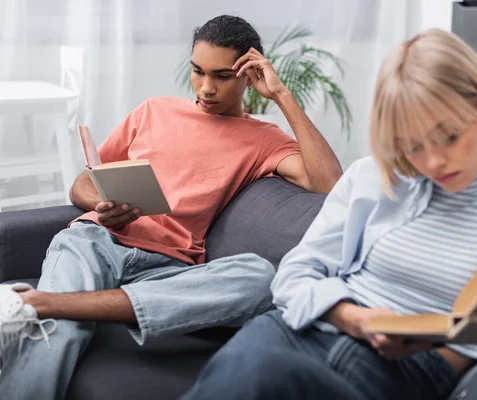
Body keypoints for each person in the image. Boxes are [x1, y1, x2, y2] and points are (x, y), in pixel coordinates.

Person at [177, 29, 477, 400]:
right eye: (412, 146)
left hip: (407, 372)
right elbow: (293, 274)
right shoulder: (373, 179)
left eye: (448, 137)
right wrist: (353, 317)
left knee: (257, 377)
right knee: (249, 372)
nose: (433, 161)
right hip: (295, 331)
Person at [0, 15, 343, 400]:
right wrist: (102, 203)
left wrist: (282, 96)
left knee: (261, 276)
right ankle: (58, 307)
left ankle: (50, 302)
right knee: (62, 327)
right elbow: (82, 183)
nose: (206, 87)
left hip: (169, 266)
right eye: (198, 72)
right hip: (96, 239)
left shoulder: (264, 139)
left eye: (222, 76)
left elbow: (329, 183)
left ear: (248, 75)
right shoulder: (154, 111)